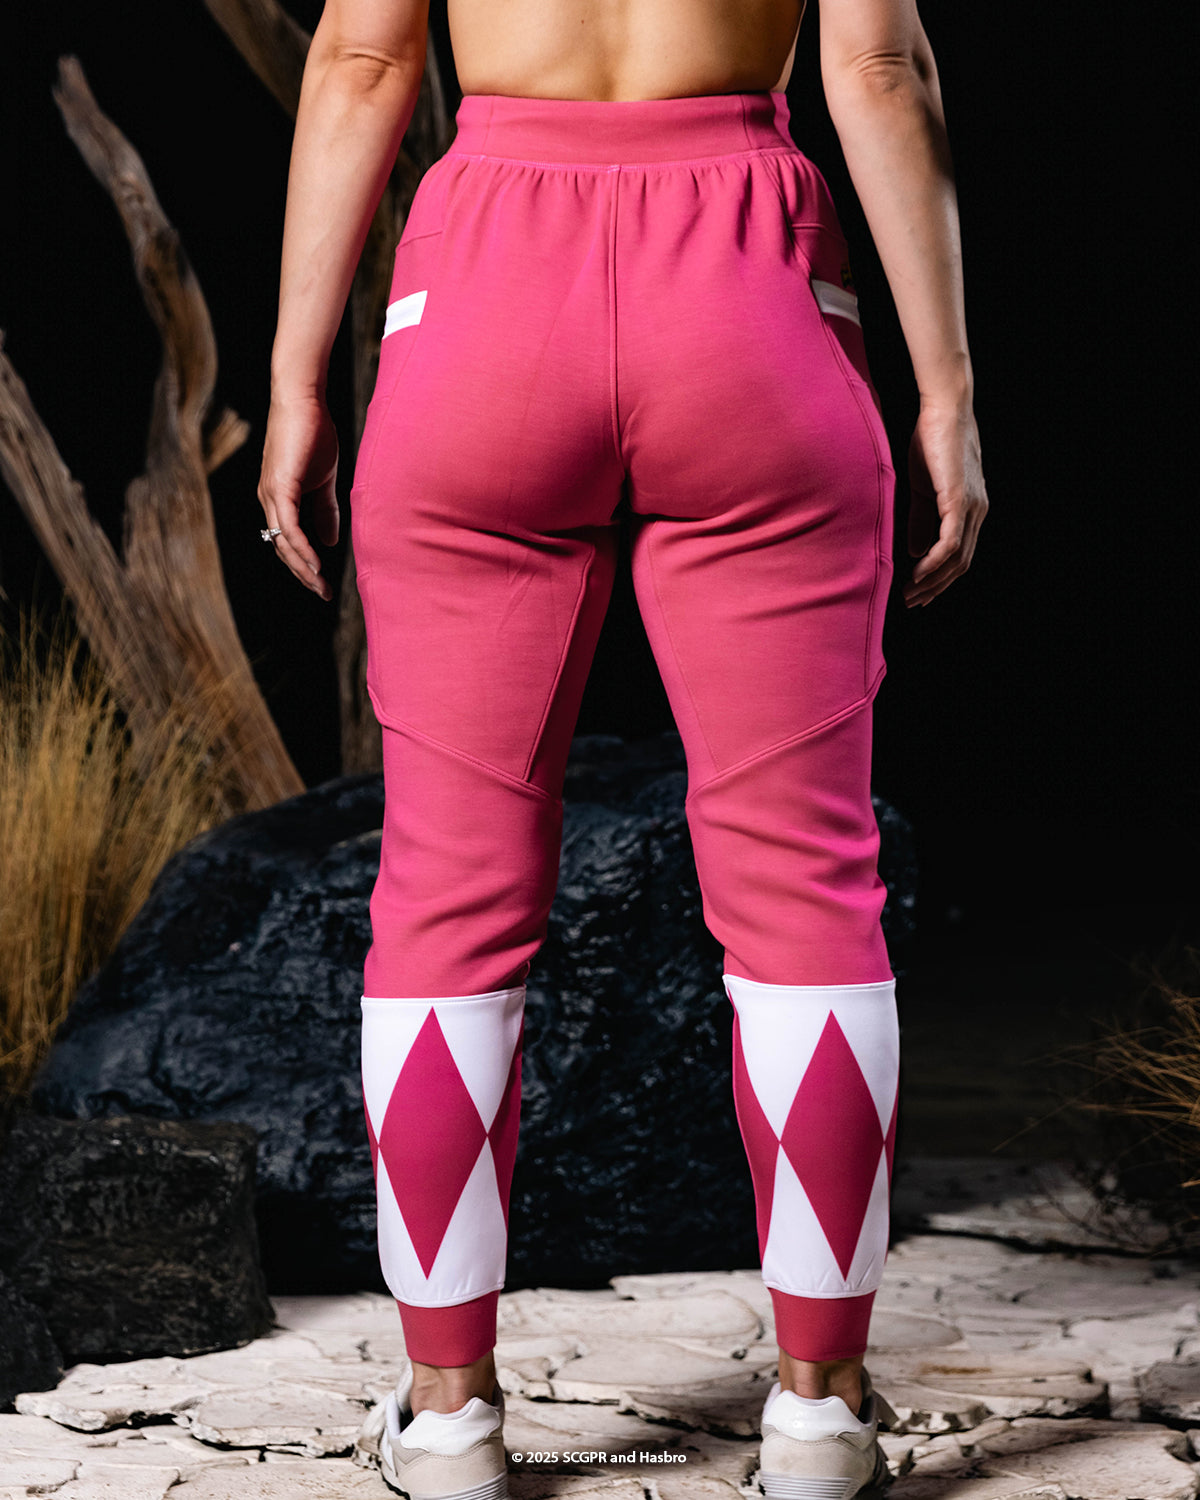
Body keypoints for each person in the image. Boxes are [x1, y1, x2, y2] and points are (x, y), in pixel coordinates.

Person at [258, 0, 987, 1494]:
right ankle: (822, 1414)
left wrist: (295, 382)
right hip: (755, 308)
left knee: (446, 897)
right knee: (805, 889)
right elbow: (877, 66)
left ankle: (448, 1419)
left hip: (482, 304)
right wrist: (949, 392)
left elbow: (361, 62)